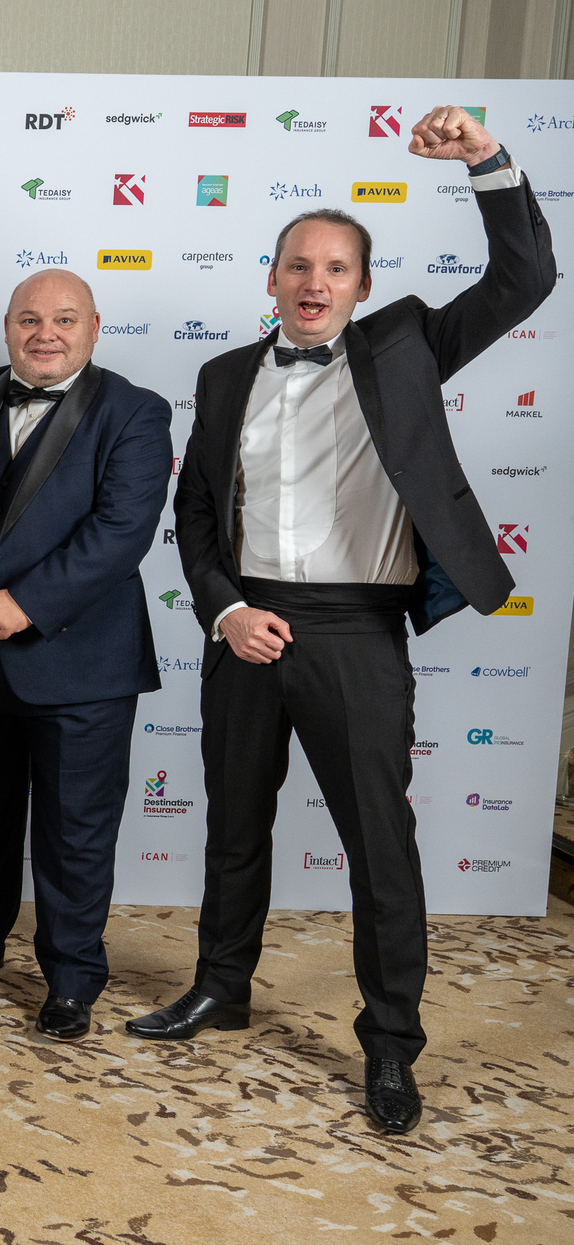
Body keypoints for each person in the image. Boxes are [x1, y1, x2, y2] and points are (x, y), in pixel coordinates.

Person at [131, 107, 555, 1137]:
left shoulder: (405, 345)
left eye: (334, 268)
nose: (313, 282)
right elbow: (196, 514)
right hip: (246, 624)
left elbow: (524, 279)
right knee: (233, 825)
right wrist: (225, 608)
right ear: (270, 278)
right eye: (297, 266)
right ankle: (220, 986)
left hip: (357, 628)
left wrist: (485, 161)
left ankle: (390, 1043)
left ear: (362, 286)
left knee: (379, 844)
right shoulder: (223, 375)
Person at [0, 269, 172, 1041]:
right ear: (8, 325)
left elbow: (120, 532)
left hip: (80, 664)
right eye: (28, 318)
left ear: (94, 326)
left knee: (74, 830)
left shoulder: (136, 411)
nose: (44, 333)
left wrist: (21, 605)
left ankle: (73, 976)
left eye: (63, 318)